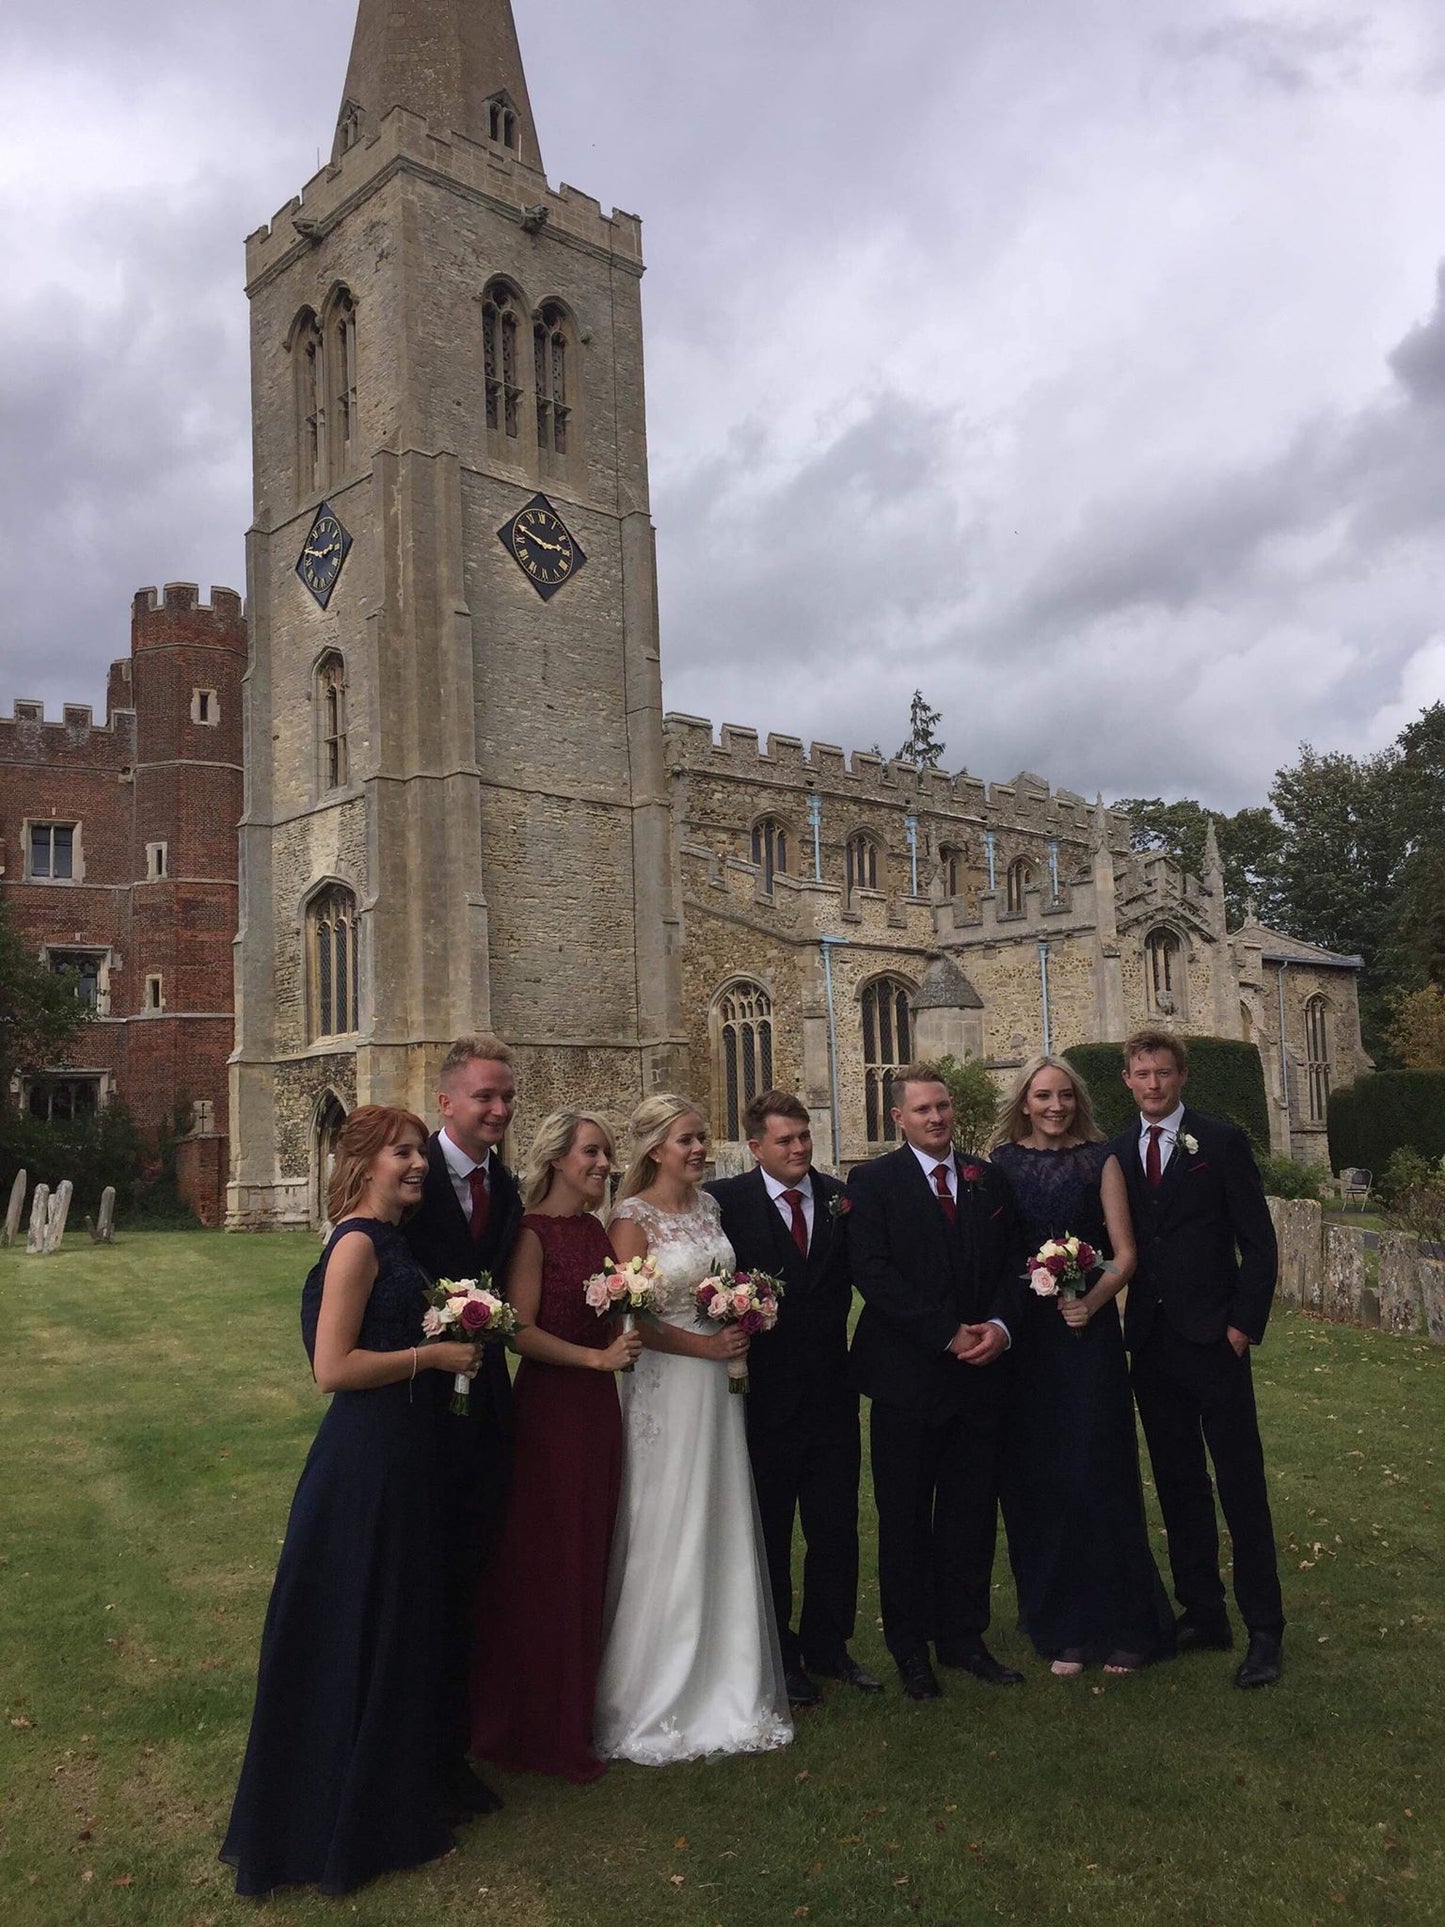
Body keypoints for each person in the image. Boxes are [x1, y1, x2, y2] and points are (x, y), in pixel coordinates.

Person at [221, 1106, 482, 1896]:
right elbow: (331, 1367)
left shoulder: (393, 1240)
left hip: (403, 1453)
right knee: (353, 1624)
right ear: (362, 1161)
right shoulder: (359, 1244)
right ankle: (330, 1811)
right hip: (363, 1459)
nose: (417, 1165)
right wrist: (434, 1353)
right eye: (401, 1153)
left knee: (391, 1622)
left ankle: (386, 1792)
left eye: (419, 1154)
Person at [593, 1094, 793, 1763]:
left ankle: (728, 1674)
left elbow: (724, 1281)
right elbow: (631, 1319)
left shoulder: (710, 1208)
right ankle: (655, 1689)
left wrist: (741, 1313)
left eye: (703, 1137)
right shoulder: (631, 1218)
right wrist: (701, 1344)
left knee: (720, 1512)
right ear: (655, 1148)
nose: (700, 1149)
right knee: (667, 1520)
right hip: (668, 1384)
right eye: (687, 1139)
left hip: (721, 1382)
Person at [988, 1055, 1174, 1677]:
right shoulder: (1002, 1165)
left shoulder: (1101, 1159)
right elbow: (994, 1256)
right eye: (1043, 1095)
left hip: (1084, 1338)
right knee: (1041, 1476)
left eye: (1065, 1095)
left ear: (1078, 1101)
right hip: (1027, 1340)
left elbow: (1125, 1254)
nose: (1055, 1106)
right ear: (1024, 1101)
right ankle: (1061, 1625)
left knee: (1097, 1470)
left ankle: (1125, 1624)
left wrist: (1092, 1301)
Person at [847, 1062, 1027, 1700]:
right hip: (907, 1380)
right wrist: (945, 1333)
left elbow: (1015, 1260)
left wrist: (1001, 1327)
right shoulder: (872, 1183)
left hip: (982, 1375)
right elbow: (874, 1272)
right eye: (922, 1109)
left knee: (971, 1512)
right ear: (899, 1118)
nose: (937, 1117)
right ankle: (910, 1647)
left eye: (943, 1106)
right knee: (904, 1517)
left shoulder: (987, 1177)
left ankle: (963, 1636)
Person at [470, 1110, 640, 1783]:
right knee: (551, 1560)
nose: (602, 1164)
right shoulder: (533, 1233)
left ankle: (580, 1710)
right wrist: (594, 1360)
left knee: (590, 1549)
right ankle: (538, 1723)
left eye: (605, 1153)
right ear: (558, 1158)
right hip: (552, 1408)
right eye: (591, 1152)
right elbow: (519, 1331)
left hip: (599, 1410)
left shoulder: (595, 1228)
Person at [1112, 1028, 1285, 1689]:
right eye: (1140, 1073)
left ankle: (1264, 1629)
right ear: (1126, 1079)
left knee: (1241, 1484)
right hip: (1151, 1344)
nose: (1152, 1083)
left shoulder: (1218, 1142)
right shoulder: (1117, 1154)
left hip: (1214, 1340)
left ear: (1181, 1075)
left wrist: (1240, 1326)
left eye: (1162, 1072)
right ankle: (1201, 1611)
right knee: (1179, 1481)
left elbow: (1258, 1244)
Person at [706, 1088, 877, 1706]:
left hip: (833, 1390)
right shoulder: (726, 1204)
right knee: (772, 1530)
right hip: (762, 1395)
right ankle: (779, 1653)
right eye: (785, 1140)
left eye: (804, 1137)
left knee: (835, 1528)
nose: (800, 1148)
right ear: (755, 1147)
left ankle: (830, 1646)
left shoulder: (839, 1198)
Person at [404, 1035, 525, 1813]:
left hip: (484, 1404)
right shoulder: (410, 1181)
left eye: (507, 1098)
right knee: (423, 1580)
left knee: (472, 1572)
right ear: (445, 1102)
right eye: (484, 1096)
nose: (499, 1109)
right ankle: (419, 1754)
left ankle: (458, 1744)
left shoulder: (506, 1189)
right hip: (415, 1409)